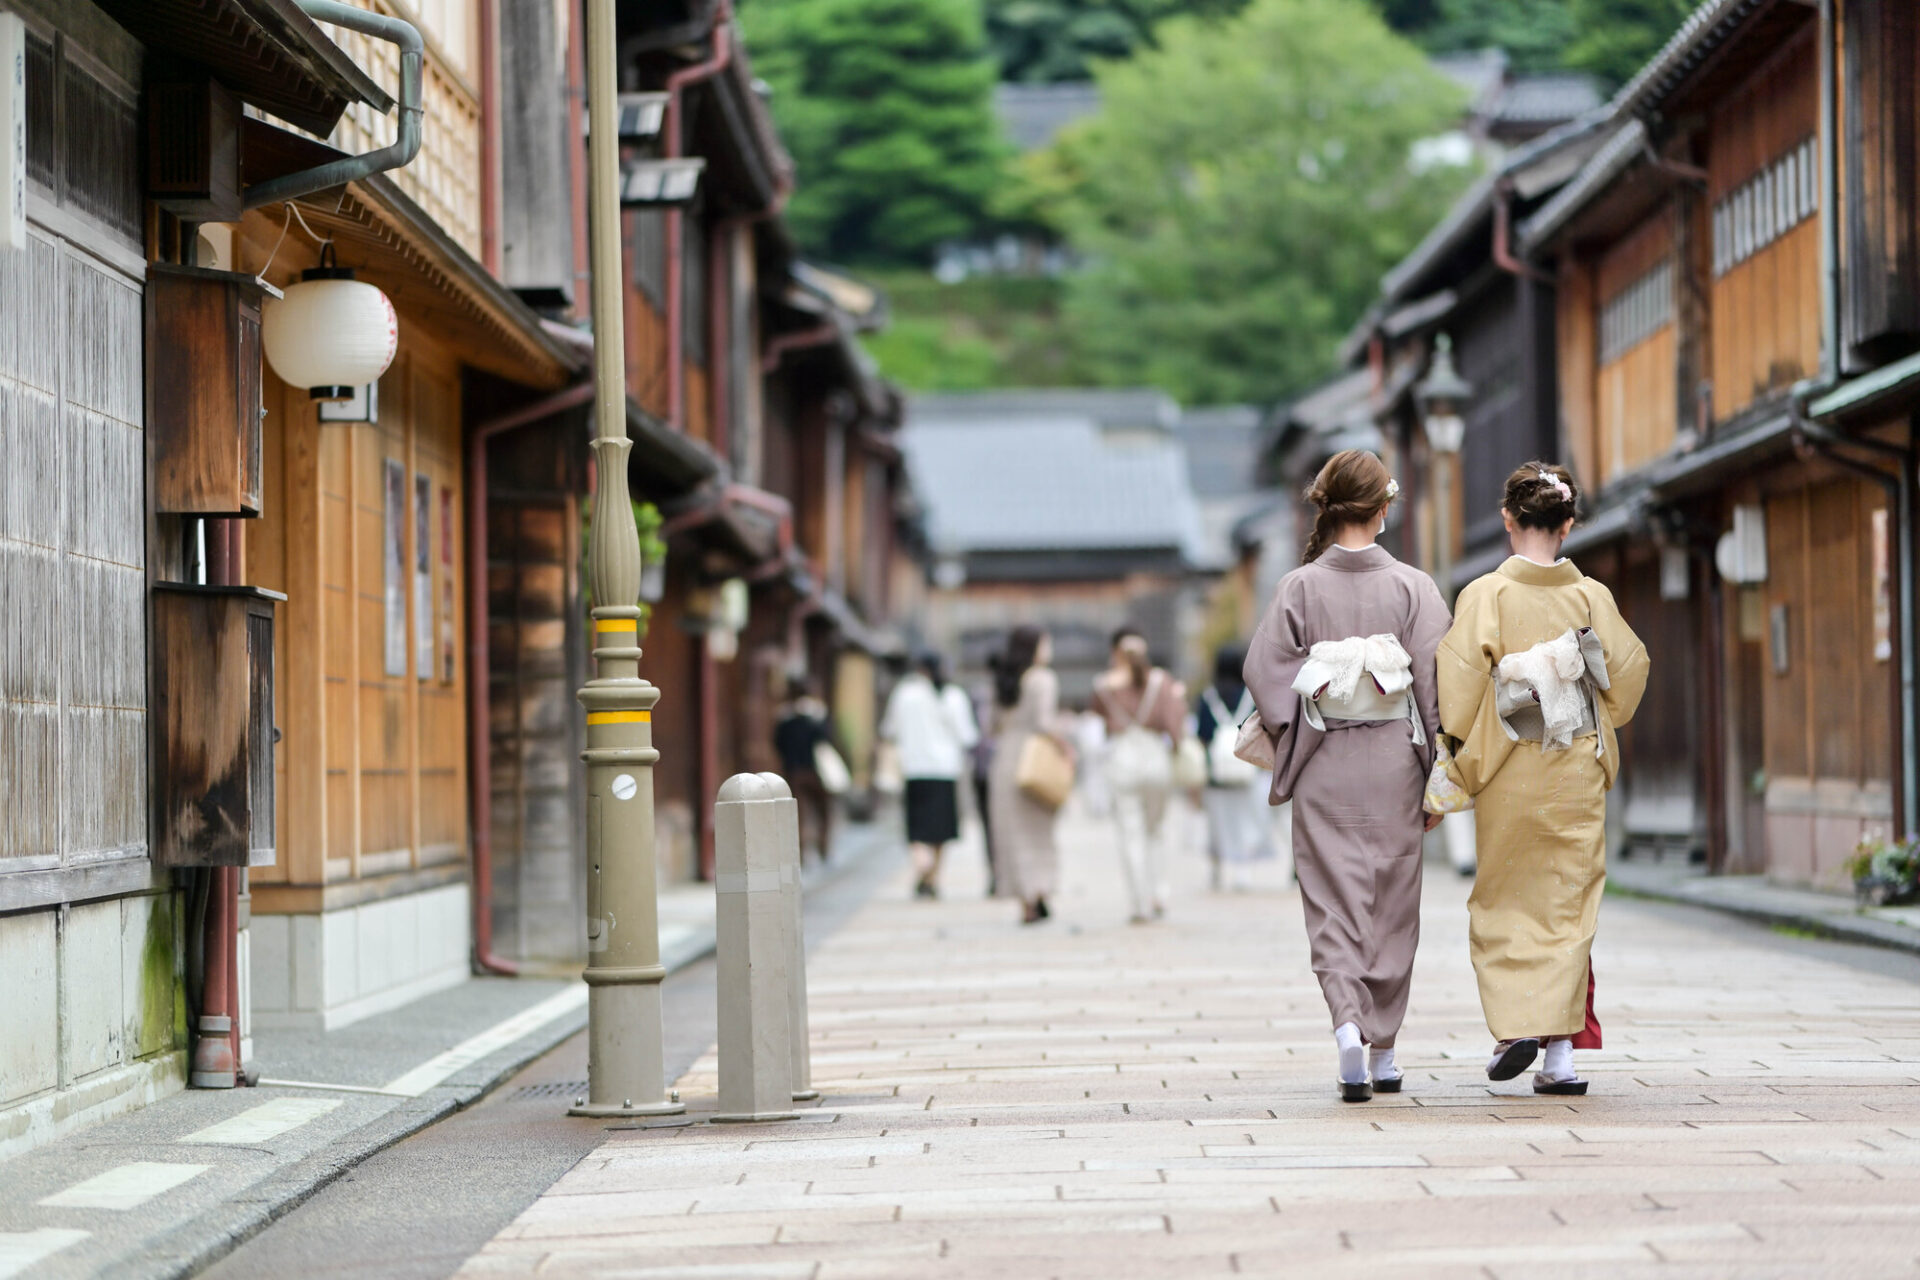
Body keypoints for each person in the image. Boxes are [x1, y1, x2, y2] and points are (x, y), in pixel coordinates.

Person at [1243, 450, 1450, 1102]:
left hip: (1326, 761)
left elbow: (1265, 673)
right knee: (1391, 900)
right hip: (1394, 762)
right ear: (1385, 508)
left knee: (1332, 900)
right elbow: (1439, 686)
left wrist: (1299, 729)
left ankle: (1347, 1030)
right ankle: (1383, 1050)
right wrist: (1439, 766)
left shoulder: (1299, 587)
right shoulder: (1414, 587)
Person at [1437, 462, 1648, 1096]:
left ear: (1508, 519)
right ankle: (1561, 1059)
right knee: (1568, 902)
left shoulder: (1485, 596)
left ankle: (1517, 1025)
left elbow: (1459, 690)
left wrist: (1457, 754)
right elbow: (1629, 673)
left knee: (1505, 897)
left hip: (1509, 765)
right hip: (1575, 762)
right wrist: (1593, 715)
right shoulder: (1592, 598)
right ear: (1569, 524)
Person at [1092, 627, 1187, 924]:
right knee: (1155, 830)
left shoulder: (1102, 685)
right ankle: (1159, 892)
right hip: (1155, 759)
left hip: (1122, 759)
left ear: (1115, 653)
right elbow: (1175, 725)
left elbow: (1099, 724)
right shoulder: (1161, 681)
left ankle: (1138, 902)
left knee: (1130, 832)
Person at [879, 652, 979, 899]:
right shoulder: (954, 696)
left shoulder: (904, 694)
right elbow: (968, 736)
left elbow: (889, 729)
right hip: (945, 770)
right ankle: (932, 875)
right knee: (941, 829)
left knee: (917, 826)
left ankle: (922, 865)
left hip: (914, 768)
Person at [987, 626, 1064, 925]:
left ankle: (1025, 900)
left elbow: (992, 726)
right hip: (1036, 758)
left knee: (1012, 833)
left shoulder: (1003, 680)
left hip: (1006, 759)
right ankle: (1040, 889)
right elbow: (1045, 722)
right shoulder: (1043, 679)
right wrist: (1065, 746)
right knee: (1039, 831)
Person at [1195, 643, 1274, 891]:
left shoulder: (1207, 697)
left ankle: (1217, 866)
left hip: (1216, 772)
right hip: (1246, 767)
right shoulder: (1250, 696)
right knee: (1244, 820)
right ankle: (1242, 870)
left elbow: (1202, 734)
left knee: (1218, 820)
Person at [773, 677, 837, 863]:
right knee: (823, 811)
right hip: (816, 772)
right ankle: (823, 848)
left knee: (797, 814)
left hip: (794, 771)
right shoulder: (817, 715)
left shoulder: (784, 718)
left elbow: (778, 743)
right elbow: (826, 739)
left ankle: (800, 853)